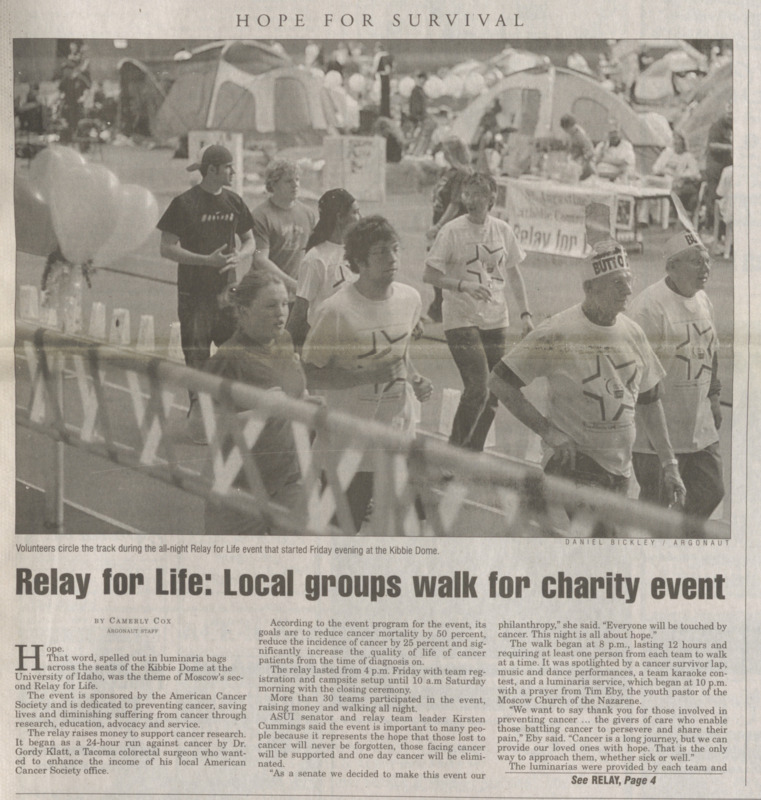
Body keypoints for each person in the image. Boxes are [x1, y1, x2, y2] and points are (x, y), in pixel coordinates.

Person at [488, 240, 685, 514]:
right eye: (617, 283)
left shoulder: (633, 333)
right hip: (577, 465)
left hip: (619, 470)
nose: (628, 289)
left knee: (598, 549)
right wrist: (548, 432)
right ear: (590, 288)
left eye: (629, 280)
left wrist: (670, 465)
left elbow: (650, 402)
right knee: (602, 542)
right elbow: (499, 381)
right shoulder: (557, 332)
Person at [302, 216, 433, 531]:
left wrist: (414, 378)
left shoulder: (409, 299)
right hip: (350, 446)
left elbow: (399, 351)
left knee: (411, 528)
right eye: (381, 253)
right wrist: (364, 374)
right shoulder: (335, 311)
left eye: (395, 250)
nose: (393, 259)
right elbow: (309, 374)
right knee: (341, 533)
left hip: (398, 436)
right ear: (359, 261)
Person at [424, 172, 534, 452]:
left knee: (495, 389)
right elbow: (430, 274)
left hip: (496, 317)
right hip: (460, 317)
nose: (471, 201)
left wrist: (525, 314)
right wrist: (462, 285)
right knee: (477, 387)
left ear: (492, 199)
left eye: (478, 195)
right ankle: (454, 449)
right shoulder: (452, 231)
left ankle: (472, 451)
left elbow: (514, 273)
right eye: (467, 194)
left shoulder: (502, 230)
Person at [157, 144, 256, 440]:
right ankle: (199, 419)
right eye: (228, 167)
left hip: (228, 295)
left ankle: (231, 416)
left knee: (236, 354)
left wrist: (241, 255)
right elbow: (167, 248)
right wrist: (205, 261)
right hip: (194, 296)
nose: (234, 172)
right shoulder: (184, 203)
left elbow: (250, 241)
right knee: (197, 359)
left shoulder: (234, 202)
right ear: (212, 170)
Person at [203, 271, 308, 535]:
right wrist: (262, 410)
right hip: (239, 487)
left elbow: (294, 397)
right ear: (244, 310)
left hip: (287, 478)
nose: (281, 312)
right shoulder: (228, 358)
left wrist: (311, 403)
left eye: (285, 303)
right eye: (271, 305)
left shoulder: (284, 340)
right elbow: (201, 426)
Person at [629, 230, 724, 518]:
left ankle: (677, 541)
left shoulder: (702, 299)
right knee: (656, 506)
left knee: (712, 489)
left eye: (706, 261)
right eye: (696, 262)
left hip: (699, 424)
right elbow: (634, 373)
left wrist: (715, 396)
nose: (705, 268)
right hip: (658, 431)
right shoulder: (648, 309)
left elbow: (713, 349)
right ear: (671, 267)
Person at [287, 188, 361, 349]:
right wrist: (282, 347)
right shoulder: (316, 258)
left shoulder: (357, 250)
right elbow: (300, 309)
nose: (360, 218)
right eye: (355, 212)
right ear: (340, 217)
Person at [425, 135, 473, 323]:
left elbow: (454, 204)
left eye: (446, 150)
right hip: (439, 221)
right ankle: (439, 308)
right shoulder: (447, 172)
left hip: (451, 226)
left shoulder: (463, 175)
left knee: (445, 268)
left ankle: (440, 310)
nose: (443, 153)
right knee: (436, 265)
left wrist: (438, 226)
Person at [251, 159, 315, 298]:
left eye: (297, 180)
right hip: (267, 292)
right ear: (273, 185)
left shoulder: (308, 213)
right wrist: (293, 285)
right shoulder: (260, 216)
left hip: (299, 294)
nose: (295, 185)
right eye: (288, 181)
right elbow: (260, 259)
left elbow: (313, 253)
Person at [651, 132, 702, 214]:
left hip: (677, 184)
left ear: (683, 143)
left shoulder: (687, 156)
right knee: (646, 182)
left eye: (679, 140)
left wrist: (682, 175)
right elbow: (655, 168)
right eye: (675, 140)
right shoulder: (667, 153)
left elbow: (696, 174)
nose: (676, 143)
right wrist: (665, 171)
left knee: (677, 188)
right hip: (664, 181)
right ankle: (643, 219)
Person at [703, 101, 733, 232]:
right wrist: (729, 147)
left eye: (733, 114)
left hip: (727, 165)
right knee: (714, 196)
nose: (731, 117)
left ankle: (725, 229)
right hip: (715, 165)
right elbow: (712, 145)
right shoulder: (717, 126)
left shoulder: (734, 126)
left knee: (727, 197)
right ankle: (712, 227)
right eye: (729, 114)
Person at [559, 114, 595, 180]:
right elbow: (568, 149)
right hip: (574, 160)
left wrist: (582, 160)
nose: (566, 131)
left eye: (567, 128)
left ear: (572, 126)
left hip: (584, 164)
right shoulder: (568, 135)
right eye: (565, 129)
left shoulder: (581, 136)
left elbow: (591, 151)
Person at [373, 42, 393, 118]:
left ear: (378, 48)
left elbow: (375, 69)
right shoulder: (388, 55)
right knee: (386, 96)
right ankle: (386, 113)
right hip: (387, 78)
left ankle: (381, 113)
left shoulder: (379, 56)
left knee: (380, 95)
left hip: (381, 77)